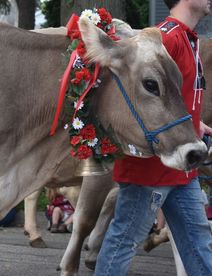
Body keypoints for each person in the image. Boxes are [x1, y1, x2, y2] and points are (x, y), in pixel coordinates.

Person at [95, 1, 212, 275]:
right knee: (124, 241)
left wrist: (198, 123)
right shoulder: (165, 39)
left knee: (199, 242)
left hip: (182, 168)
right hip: (150, 172)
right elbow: (135, 97)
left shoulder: (182, 36)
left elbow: (170, 99)